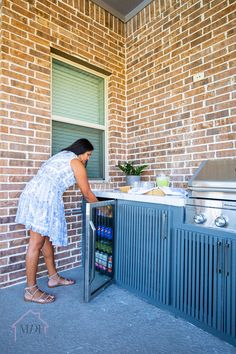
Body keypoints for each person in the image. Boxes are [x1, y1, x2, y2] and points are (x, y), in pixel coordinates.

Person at [15, 138, 98, 304]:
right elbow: (87, 193)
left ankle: (53, 278)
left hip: (34, 192)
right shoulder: (75, 161)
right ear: (81, 151)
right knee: (36, 243)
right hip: (43, 197)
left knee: (45, 238)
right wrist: (103, 209)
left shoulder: (61, 155)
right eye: (88, 154)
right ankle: (30, 290)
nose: (88, 158)